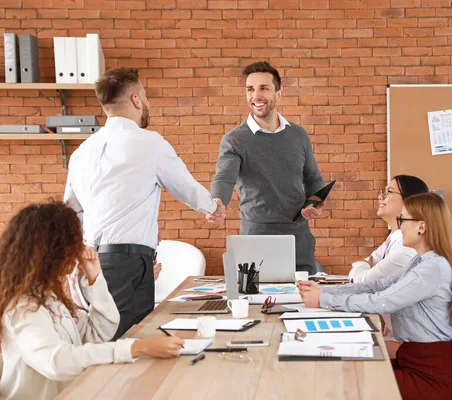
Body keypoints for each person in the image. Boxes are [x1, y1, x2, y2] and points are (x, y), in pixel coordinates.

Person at [64, 67, 225, 340]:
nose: (147, 103)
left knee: (102, 341)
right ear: (136, 99)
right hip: (128, 264)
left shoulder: (82, 151)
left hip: (91, 261)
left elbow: (71, 213)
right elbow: (185, 187)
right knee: (128, 344)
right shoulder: (149, 143)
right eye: (146, 96)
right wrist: (213, 208)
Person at [0, 201, 184, 400]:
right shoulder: (23, 307)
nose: (76, 254)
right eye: (72, 246)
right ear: (51, 253)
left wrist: (95, 278)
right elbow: (56, 362)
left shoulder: (51, 299)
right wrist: (136, 348)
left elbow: (100, 332)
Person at [298, 192, 452, 400]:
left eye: (402, 220)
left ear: (421, 227)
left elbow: (382, 301)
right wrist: (324, 291)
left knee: (348, 385)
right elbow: (377, 286)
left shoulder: (432, 268)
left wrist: (323, 299)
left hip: (429, 375)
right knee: (347, 373)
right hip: (413, 361)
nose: (399, 226)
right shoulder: (420, 262)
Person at [209, 61, 325, 274]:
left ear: (278, 94)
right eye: (250, 89)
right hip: (257, 236)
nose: (256, 96)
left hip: (298, 235)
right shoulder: (235, 140)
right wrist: (218, 201)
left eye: (264, 88)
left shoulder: (298, 135)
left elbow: (312, 178)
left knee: (306, 301)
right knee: (256, 302)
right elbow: (224, 178)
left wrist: (315, 202)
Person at [349, 175, 429, 283]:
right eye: (383, 192)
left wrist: (362, 266)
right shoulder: (394, 237)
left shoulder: (408, 246)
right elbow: (367, 266)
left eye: (388, 192)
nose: (380, 197)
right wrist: (363, 267)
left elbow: (363, 282)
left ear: (410, 200)